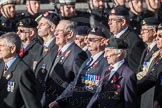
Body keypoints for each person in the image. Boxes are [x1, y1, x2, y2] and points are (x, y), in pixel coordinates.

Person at [48, 26, 109, 108]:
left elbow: (99, 92)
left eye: (91, 40)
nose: (87, 42)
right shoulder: (88, 61)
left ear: (102, 42)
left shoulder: (106, 63)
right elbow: (74, 84)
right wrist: (59, 101)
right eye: (87, 39)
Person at [41, 20, 88, 107]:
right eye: (55, 31)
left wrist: (61, 101)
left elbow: (78, 83)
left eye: (59, 31)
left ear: (70, 34)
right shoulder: (55, 50)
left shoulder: (78, 54)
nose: (55, 34)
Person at [87, 38, 137, 108]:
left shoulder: (128, 75)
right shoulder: (107, 70)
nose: (105, 56)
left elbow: (129, 103)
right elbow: (98, 94)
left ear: (119, 53)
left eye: (107, 51)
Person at [0, 32, 42, 108]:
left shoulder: (23, 71)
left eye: (1, 46)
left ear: (12, 48)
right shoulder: (2, 65)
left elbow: (31, 103)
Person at [34, 11, 61, 107]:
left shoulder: (57, 48)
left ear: (52, 28)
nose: (38, 27)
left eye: (42, 25)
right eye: (38, 24)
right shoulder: (40, 47)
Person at [108, 6, 145, 73]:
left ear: (123, 22)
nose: (109, 23)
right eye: (109, 20)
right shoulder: (113, 37)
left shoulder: (134, 41)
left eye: (112, 20)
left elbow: (135, 70)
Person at [136, 17, 160, 108]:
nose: (141, 33)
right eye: (141, 30)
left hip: (152, 94)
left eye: (145, 30)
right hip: (144, 92)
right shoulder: (147, 49)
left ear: (154, 32)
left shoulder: (158, 50)